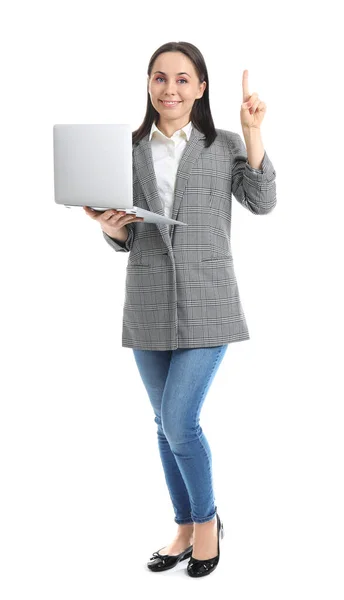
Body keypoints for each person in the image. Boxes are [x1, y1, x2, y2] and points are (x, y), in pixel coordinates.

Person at [83, 41, 277, 578]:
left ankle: (209, 522)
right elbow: (126, 239)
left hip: (209, 299)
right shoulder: (126, 150)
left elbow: (262, 202)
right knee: (162, 423)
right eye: (160, 78)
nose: (171, 89)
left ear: (201, 87)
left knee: (178, 420)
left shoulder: (226, 145)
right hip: (147, 301)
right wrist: (110, 228)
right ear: (148, 84)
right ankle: (184, 526)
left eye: (182, 79)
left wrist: (255, 131)